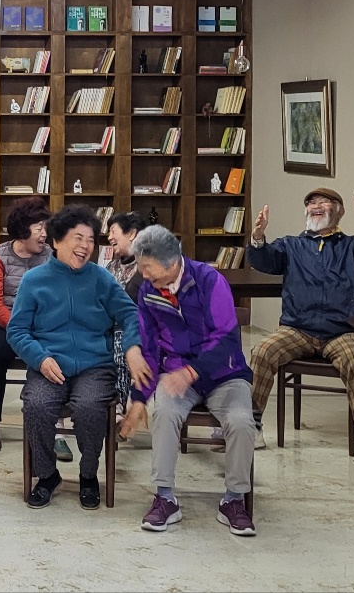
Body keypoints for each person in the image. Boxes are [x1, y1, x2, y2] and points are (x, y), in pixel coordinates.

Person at [120, 225, 257, 537]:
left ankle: (234, 499)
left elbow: (226, 339)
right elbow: (149, 348)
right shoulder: (148, 290)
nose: (142, 273)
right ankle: (164, 497)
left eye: (147, 267)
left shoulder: (211, 281)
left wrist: (192, 372)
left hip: (225, 374)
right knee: (163, 412)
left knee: (240, 421)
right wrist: (138, 399)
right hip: (176, 376)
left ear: (171, 263)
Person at [245, 188, 354, 468]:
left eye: (323, 202)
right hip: (297, 329)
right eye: (311, 203)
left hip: (343, 331)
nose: (315, 206)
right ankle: (251, 427)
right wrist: (258, 237)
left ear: (339, 211)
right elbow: (264, 260)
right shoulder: (290, 245)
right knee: (262, 351)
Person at [9, 207, 148, 510]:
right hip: (48, 365)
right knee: (37, 404)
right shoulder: (34, 280)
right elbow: (16, 331)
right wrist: (40, 358)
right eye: (78, 238)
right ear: (57, 240)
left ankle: (88, 475)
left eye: (91, 240)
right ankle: (47, 475)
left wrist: (133, 347)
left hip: (94, 366)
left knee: (89, 407)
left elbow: (131, 315)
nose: (86, 246)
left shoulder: (101, 278)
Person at [0, 197, 53, 460]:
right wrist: (19, 328)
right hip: (4, 322)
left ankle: (57, 430)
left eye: (45, 227)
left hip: (41, 324)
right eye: (38, 227)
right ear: (22, 229)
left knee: (57, 350)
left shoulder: (50, 256)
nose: (44, 233)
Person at [103, 211, 148, 289]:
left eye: (113, 232)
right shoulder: (111, 266)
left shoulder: (148, 267)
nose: (109, 237)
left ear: (132, 233)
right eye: (109, 233)